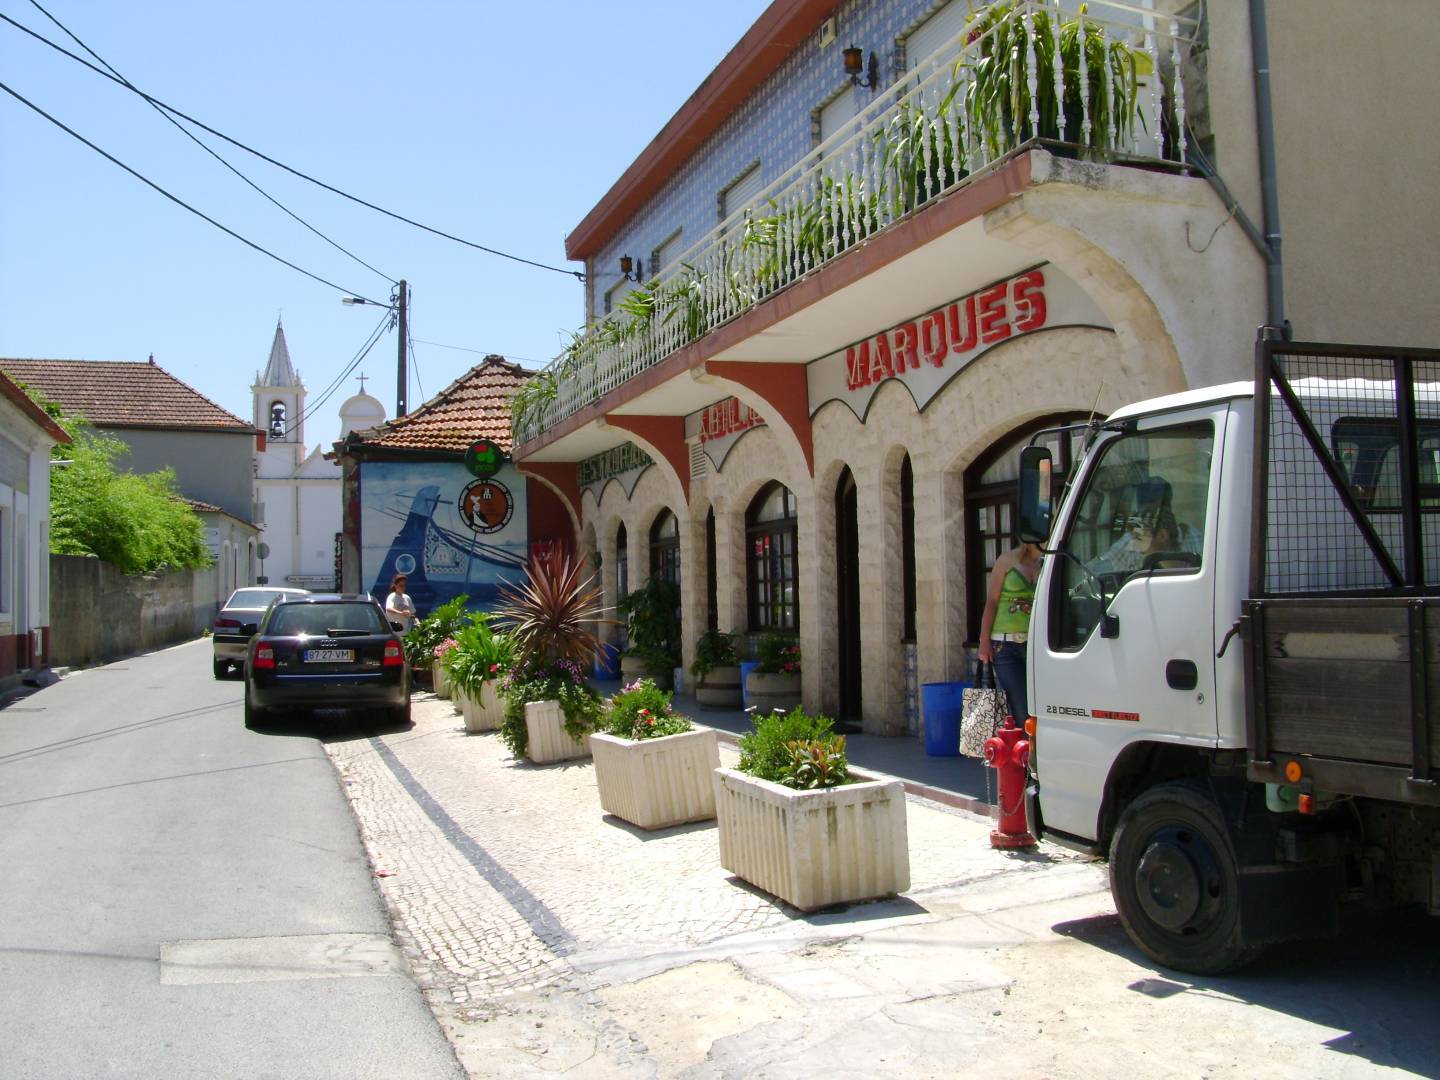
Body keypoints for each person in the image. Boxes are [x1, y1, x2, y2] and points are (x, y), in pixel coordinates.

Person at [978, 541, 1042, 724]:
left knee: (1038, 705)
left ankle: (1033, 750)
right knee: (1021, 706)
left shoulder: (1047, 562)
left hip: (1035, 643)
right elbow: (991, 601)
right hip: (1004, 645)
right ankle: (1028, 751)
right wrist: (984, 640)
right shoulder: (1007, 560)